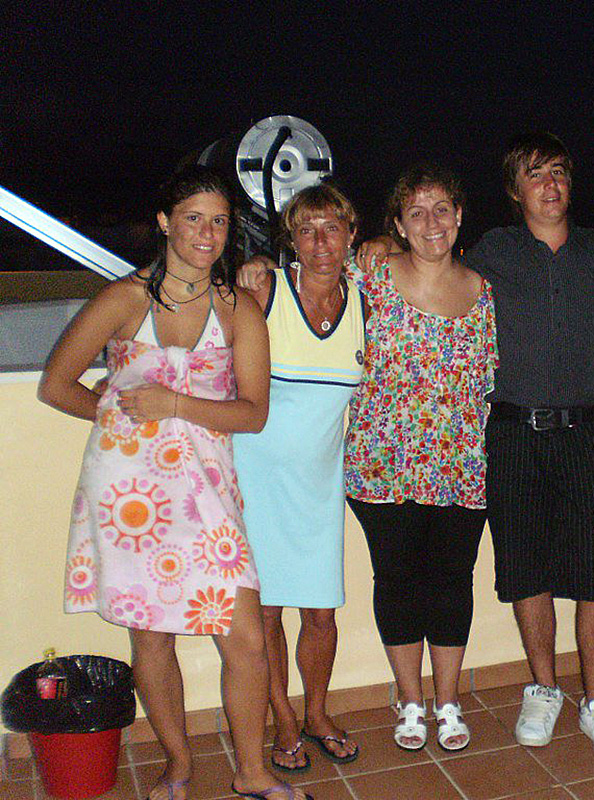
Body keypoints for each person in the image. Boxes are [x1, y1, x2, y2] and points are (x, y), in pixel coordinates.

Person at [39, 164, 312, 800]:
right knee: (152, 636)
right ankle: (178, 764)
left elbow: (254, 412)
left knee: (246, 638)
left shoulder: (237, 308)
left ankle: (252, 772)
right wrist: (115, 414)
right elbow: (56, 385)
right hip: (130, 496)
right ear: (164, 222)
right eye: (193, 218)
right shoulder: (123, 299)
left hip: (207, 490)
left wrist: (174, 406)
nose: (207, 234)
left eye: (219, 222)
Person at [357, 132, 594, 762]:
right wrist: (379, 243)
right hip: (510, 432)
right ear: (514, 190)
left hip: (584, 429)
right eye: (535, 174)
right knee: (525, 567)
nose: (550, 185)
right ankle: (544, 688)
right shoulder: (492, 254)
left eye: (558, 171)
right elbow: (421, 253)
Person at [345, 163, 497, 753]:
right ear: (399, 225)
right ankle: (410, 701)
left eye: (442, 209)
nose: (431, 222)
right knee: (398, 580)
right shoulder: (371, 277)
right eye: (417, 212)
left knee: (453, 581)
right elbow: (310, 278)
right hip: (383, 463)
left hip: (460, 465)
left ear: (459, 216)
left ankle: (448, 701)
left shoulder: (484, 292)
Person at [232, 184, 364, 771]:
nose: (320, 242)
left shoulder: (365, 302)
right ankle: (284, 720)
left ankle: (317, 713)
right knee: (265, 614)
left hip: (319, 485)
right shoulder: (265, 291)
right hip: (254, 480)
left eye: (332, 228)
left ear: (351, 235)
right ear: (291, 239)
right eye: (306, 230)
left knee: (320, 613)